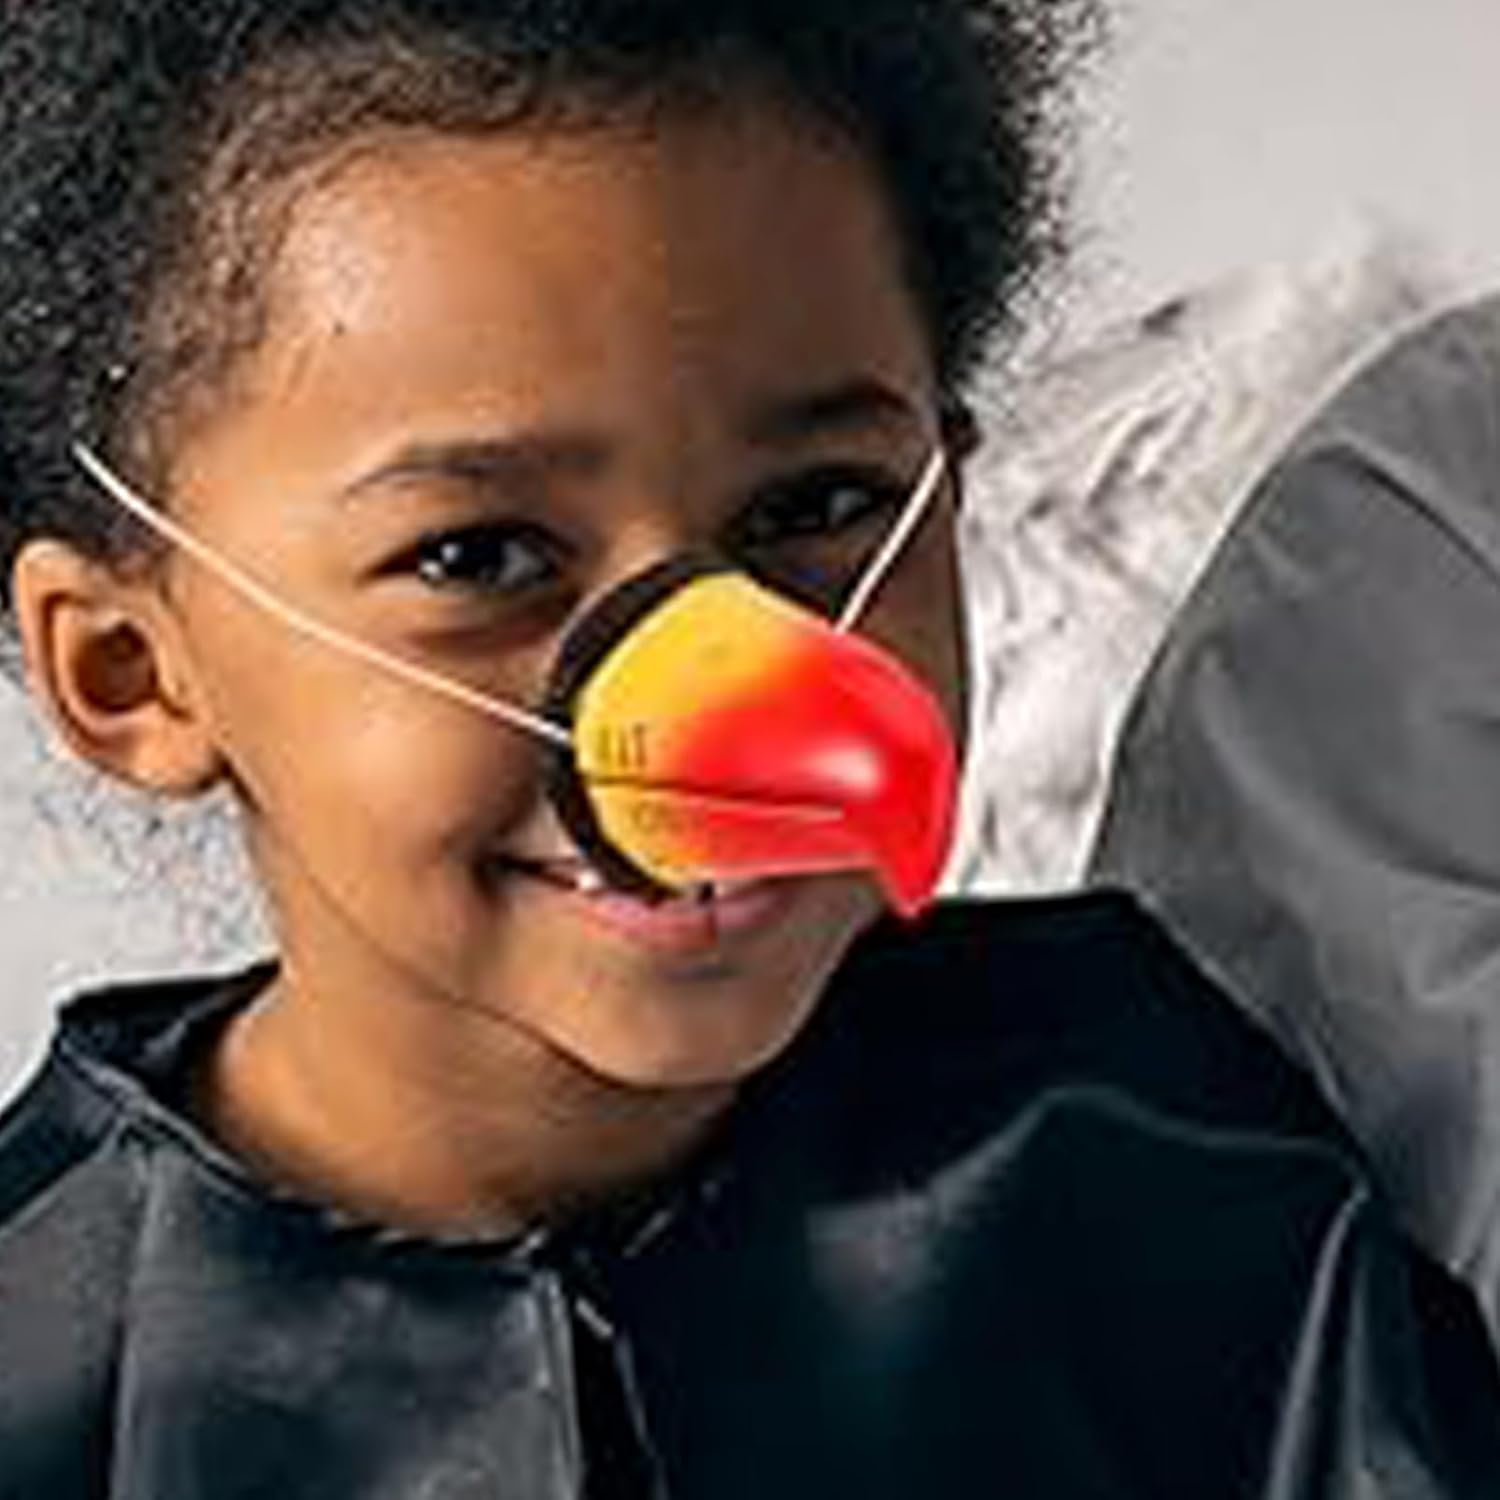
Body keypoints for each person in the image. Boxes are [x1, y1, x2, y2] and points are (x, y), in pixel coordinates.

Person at [0, 3, 1495, 1497]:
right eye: (480, 556)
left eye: (816, 506)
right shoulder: (48, 1371)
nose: (729, 698)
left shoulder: (1153, 1145)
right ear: (130, 669)